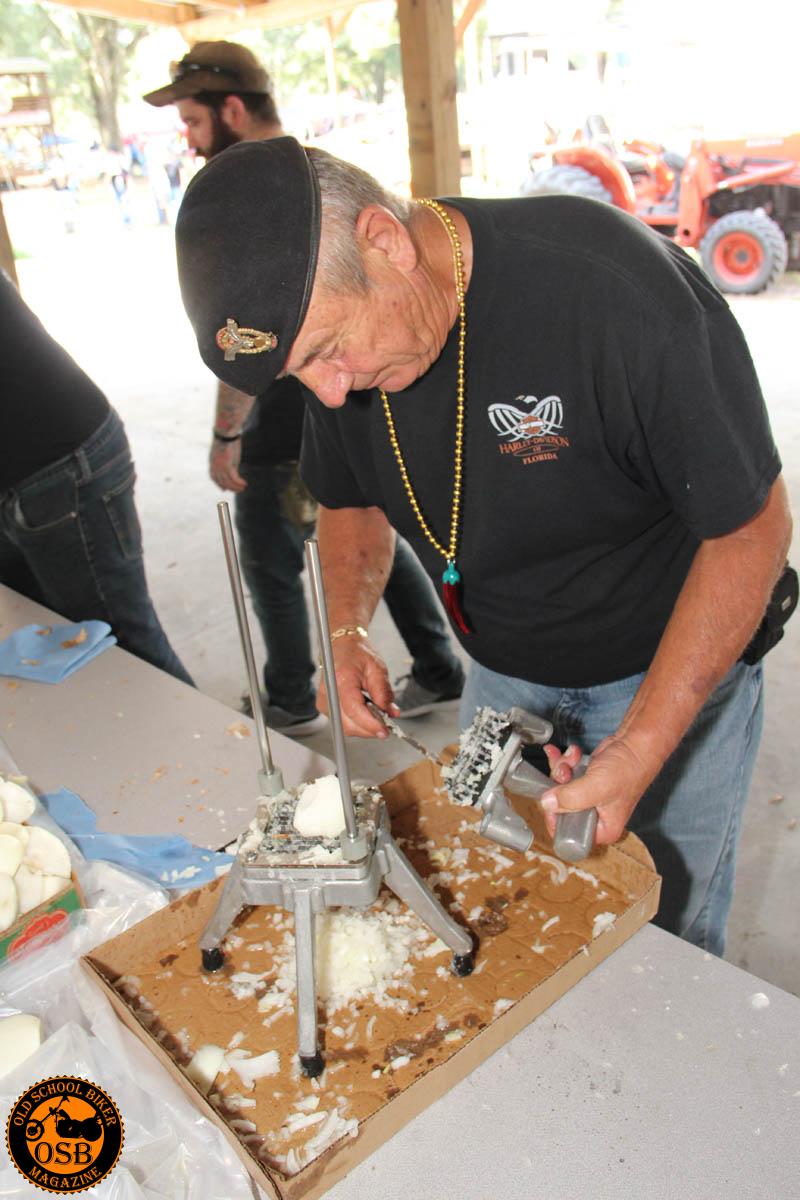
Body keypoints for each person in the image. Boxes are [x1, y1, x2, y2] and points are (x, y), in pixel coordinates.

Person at [174, 137, 793, 957]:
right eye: (302, 374)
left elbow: (750, 532)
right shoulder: (338, 343)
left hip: (667, 670)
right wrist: (348, 631)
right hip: (500, 679)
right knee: (509, 919)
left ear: (387, 245)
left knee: (663, 936)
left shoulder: (615, 292)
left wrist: (641, 744)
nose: (328, 391)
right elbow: (349, 502)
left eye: (327, 353)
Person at [144, 43, 464, 736]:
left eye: (195, 122)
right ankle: (437, 664)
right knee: (372, 525)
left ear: (234, 108)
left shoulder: (251, 204)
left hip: (285, 429)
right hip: (332, 416)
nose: (190, 140)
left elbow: (242, 345)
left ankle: (291, 691)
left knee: (268, 552)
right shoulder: (312, 180)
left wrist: (229, 431)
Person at [0, 269, 193, 687]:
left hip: (62, 462)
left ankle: (217, 751)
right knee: (32, 636)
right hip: (24, 463)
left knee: (122, 645)